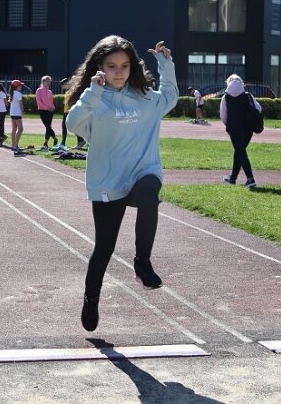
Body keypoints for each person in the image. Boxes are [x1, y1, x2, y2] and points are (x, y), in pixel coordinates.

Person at [66, 36, 178, 332]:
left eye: (125, 66)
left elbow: (169, 97)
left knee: (150, 193)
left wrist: (166, 66)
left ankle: (142, 262)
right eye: (112, 66)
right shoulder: (94, 99)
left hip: (143, 171)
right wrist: (92, 92)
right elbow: (72, 123)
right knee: (104, 248)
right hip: (108, 180)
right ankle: (91, 300)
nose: (119, 72)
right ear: (99, 67)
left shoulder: (145, 97)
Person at [219, 74, 260, 187]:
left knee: (240, 152)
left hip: (234, 129)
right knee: (239, 151)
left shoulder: (225, 97)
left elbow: (223, 115)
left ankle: (250, 179)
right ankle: (232, 179)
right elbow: (258, 109)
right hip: (248, 129)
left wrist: (228, 125)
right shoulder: (248, 96)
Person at [61, 77, 85, 149]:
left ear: (67, 84)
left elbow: (73, 101)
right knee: (65, 126)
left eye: (63, 84)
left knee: (72, 126)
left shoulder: (72, 91)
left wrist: (71, 109)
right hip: (66, 111)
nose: (62, 86)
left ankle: (81, 141)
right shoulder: (66, 91)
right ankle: (64, 142)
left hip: (70, 111)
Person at [35, 75, 58, 150]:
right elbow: (39, 101)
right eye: (47, 81)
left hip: (50, 111)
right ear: (43, 82)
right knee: (48, 126)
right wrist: (47, 108)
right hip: (42, 110)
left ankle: (45, 143)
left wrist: (53, 107)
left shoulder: (50, 92)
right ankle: (55, 138)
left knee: (48, 127)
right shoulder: (39, 90)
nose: (49, 83)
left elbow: (51, 101)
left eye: (49, 82)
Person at [9, 79, 25, 155]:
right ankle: (15, 145)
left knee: (14, 129)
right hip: (17, 113)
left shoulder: (12, 93)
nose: (21, 86)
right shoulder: (18, 94)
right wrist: (23, 111)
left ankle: (13, 145)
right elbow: (20, 104)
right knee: (20, 129)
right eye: (20, 85)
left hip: (12, 113)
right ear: (17, 86)